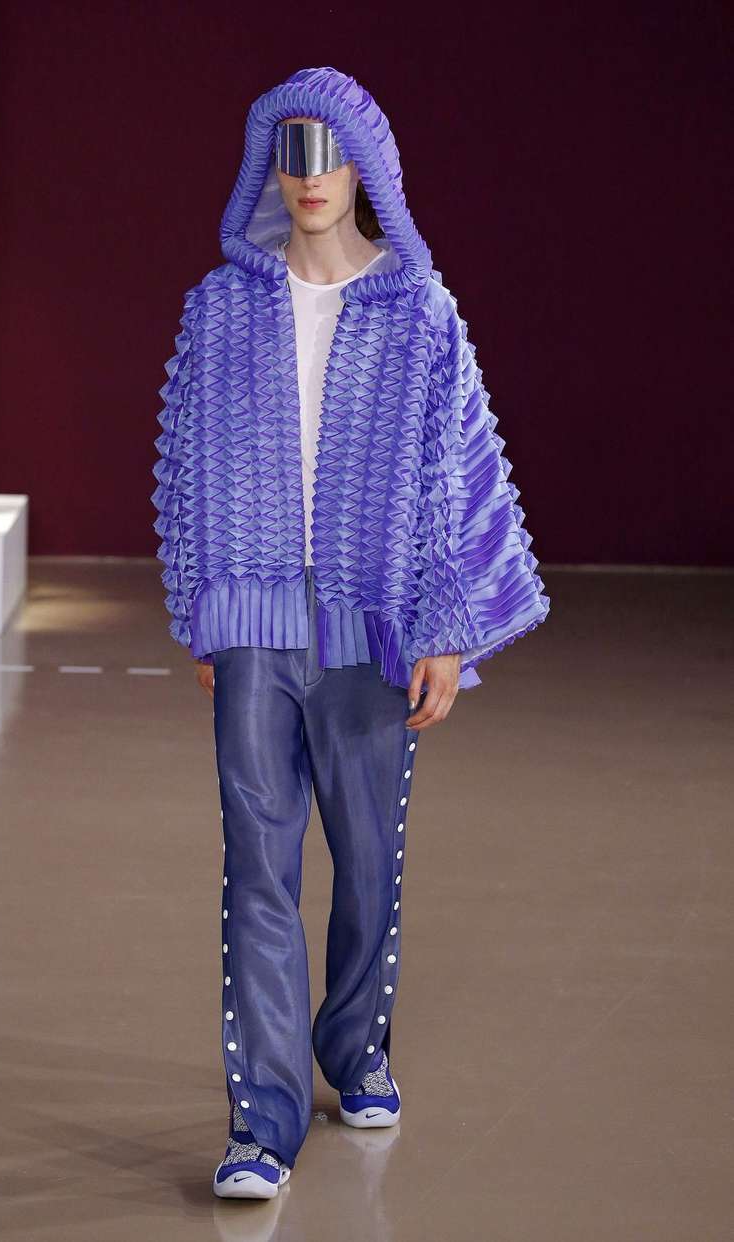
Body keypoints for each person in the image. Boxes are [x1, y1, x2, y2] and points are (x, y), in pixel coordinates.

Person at [152, 66, 550, 1199]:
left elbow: (453, 474)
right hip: (255, 624)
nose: (310, 174)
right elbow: (190, 463)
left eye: (331, 150)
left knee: (369, 862)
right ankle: (263, 1122)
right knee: (256, 867)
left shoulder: (419, 311)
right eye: (291, 150)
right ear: (266, 166)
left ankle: (355, 1048)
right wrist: (204, 611)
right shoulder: (221, 307)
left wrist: (444, 631)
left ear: (368, 165)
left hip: (371, 629)